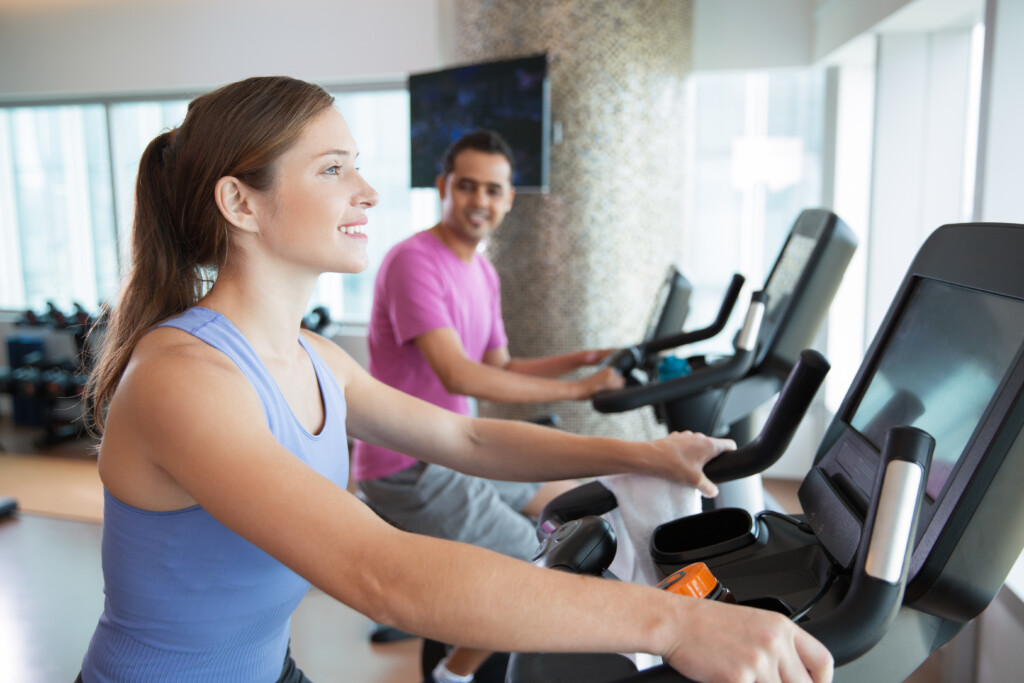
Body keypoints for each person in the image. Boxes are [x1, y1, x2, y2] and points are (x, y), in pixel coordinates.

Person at [77, 76, 833, 683]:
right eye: (334, 169)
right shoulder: (182, 376)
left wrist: (643, 456)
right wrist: (675, 623)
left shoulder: (312, 356)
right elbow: (381, 572)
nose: (368, 192)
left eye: (357, 166)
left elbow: (463, 432)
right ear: (241, 201)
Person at [353, 130, 624, 563]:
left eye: (493, 190)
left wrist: (584, 361)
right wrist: (581, 389)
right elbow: (459, 374)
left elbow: (502, 366)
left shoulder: (482, 271)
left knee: (583, 501)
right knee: (548, 560)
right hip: (409, 465)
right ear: (443, 187)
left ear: (509, 198)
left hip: (454, 450)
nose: (480, 200)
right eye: (467, 185)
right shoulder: (414, 260)